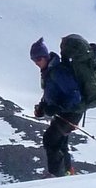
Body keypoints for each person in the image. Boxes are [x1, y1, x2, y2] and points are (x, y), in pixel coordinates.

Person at [30, 39, 85, 178]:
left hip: (71, 112)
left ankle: (56, 175)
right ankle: (67, 172)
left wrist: (57, 107)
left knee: (50, 139)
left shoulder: (58, 72)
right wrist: (43, 107)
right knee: (60, 142)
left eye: (38, 58)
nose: (36, 62)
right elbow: (51, 94)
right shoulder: (49, 71)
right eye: (34, 59)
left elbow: (74, 95)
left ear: (46, 56)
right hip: (68, 113)